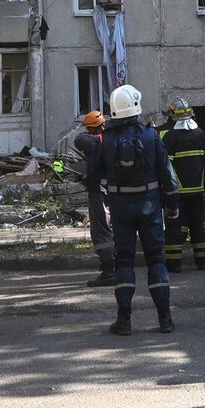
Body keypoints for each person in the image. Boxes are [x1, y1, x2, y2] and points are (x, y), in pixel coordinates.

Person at [97, 85, 177, 336]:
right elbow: (167, 174)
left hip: (121, 207)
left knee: (124, 261)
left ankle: (124, 320)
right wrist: (172, 205)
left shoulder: (105, 139)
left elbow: (94, 175)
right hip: (150, 204)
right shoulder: (151, 135)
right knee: (156, 259)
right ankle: (165, 318)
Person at [160, 100, 205, 272]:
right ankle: (202, 262)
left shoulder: (170, 138)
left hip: (177, 193)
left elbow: (166, 168)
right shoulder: (201, 135)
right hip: (198, 192)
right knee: (199, 227)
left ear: (174, 116)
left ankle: (174, 265)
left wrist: (167, 189)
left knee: (174, 228)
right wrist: (204, 183)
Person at [73, 110, 114, 287]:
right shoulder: (112, 140)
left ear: (92, 129)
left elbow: (80, 140)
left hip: (100, 191)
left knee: (101, 232)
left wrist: (86, 180)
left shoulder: (95, 142)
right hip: (114, 190)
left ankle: (109, 271)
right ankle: (117, 267)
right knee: (112, 229)